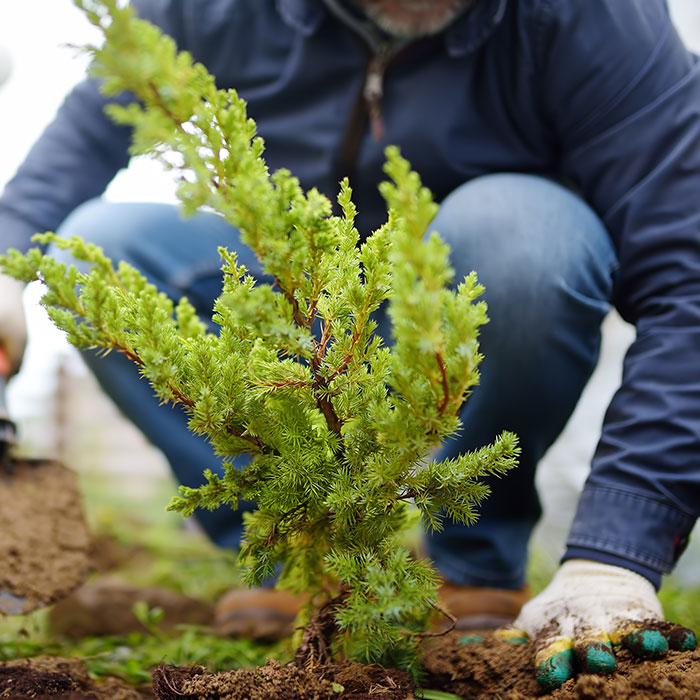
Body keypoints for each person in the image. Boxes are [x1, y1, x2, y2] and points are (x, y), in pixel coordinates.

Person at [1, 0, 699, 688]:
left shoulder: (599, 17)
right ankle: (286, 548)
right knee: (90, 255)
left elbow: (687, 276)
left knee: (525, 234)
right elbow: (76, 148)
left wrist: (616, 552)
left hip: (465, 311)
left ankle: (473, 559)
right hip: (296, 309)